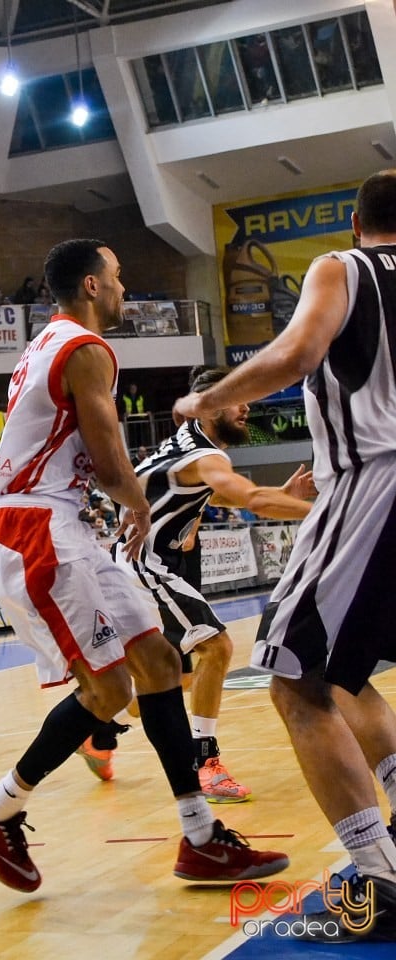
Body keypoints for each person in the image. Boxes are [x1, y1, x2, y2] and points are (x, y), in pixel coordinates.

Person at [0, 237, 289, 894]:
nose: (123, 284)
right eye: (116, 274)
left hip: (62, 520)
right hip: (34, 525)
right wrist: (138, 507)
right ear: (89, 285)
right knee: (109, 691)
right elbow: (111, 463)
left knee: (162, 664)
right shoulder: (85, 349)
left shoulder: (47, 344)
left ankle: (199, 839)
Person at [172, 171, 396, 942]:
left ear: (359, 221)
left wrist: (206, 401)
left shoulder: (343, 267)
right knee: (351, 669)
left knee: (296, 679)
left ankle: (381, 882)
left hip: (376, 476)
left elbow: (298, 352)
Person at [87, 366, 315, 794]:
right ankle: (205, 762)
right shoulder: (202, 455)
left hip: (137, 563)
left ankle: (99, 727)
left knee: (171, 677)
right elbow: (249, 498)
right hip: (143, 564)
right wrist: (328, 513)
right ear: (210, 408)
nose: (248, 406)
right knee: (217, 646)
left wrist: (283, 496)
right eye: (239, 398)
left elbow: (232, 495)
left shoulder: (191, 447)